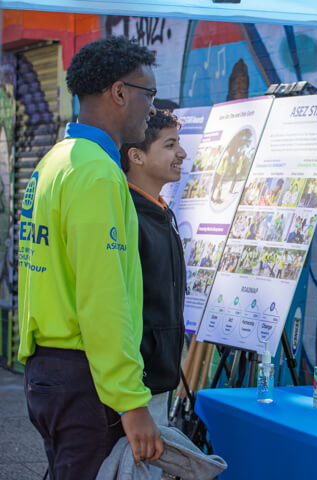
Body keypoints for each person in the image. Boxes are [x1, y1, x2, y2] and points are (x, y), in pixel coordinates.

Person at [18, 36, 162, 479]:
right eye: (148, 95)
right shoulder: (97, 173)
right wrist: (130, 401)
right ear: (119, 92)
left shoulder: (55, 161)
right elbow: (103, 296)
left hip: (49, 371)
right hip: (84, 380)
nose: (152, 108)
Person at [120, 109, 187, 480]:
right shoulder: (127, 215)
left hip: (158, 383)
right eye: (170, 144)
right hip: (136, 390)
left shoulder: (160, 212)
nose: (182, 154)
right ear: (137, 155)